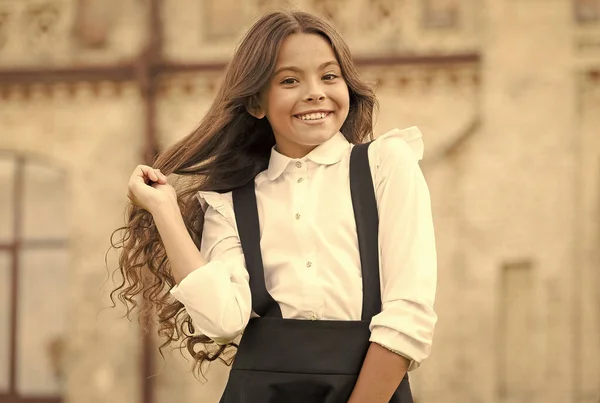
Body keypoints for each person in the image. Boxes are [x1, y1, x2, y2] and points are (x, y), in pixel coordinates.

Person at [112, 9, 437, 403]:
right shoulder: (232, 200)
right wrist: (164, 210)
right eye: (289, 80)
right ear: (255, 104)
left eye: (329, 75)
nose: (315, 91)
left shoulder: (386, 165)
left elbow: (408, 317)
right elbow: (223, 320)